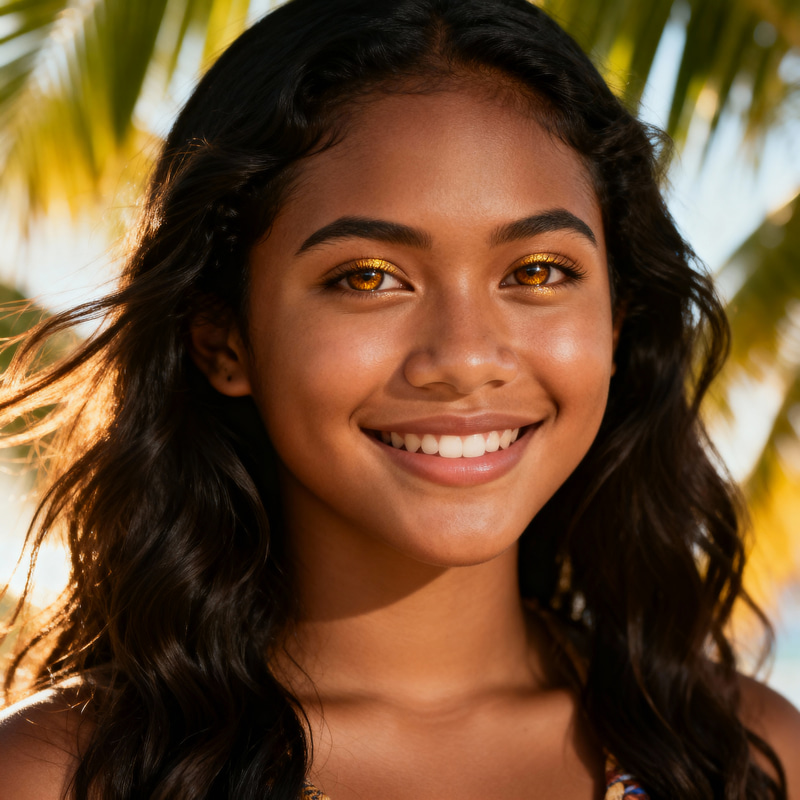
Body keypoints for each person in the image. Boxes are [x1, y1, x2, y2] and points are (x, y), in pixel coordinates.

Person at [0, 0, 799, 797]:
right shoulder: (67, 776)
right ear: (223, 340)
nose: (463, 358)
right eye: (369, 278)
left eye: (537, 272)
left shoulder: (746, 759)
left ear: (618, 321)